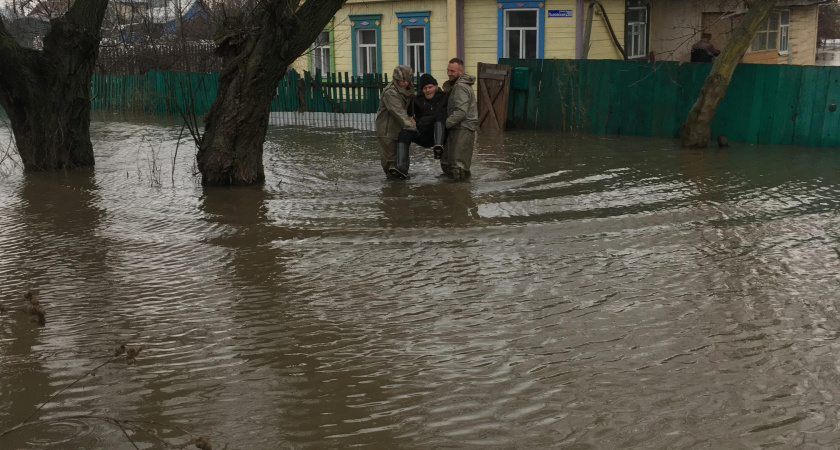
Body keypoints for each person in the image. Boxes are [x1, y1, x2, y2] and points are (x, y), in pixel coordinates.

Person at [376, 65, 417, 179]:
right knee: (391, 164)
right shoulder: (390, 92)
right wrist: (413, 128)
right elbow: (398, 112)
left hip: (401, 130)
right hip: (387, 131)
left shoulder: (409, 89)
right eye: (401, 80)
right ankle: (391, 192)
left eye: (406, 80)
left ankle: (401, 192)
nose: (404, 83)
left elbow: (411, 108)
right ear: (395, 79)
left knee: (403, 163)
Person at [441, 58, 478, 181]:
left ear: (460, 71)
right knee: (449, 163)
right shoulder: (458, 85)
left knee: (458, 166)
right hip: (458, 128)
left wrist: (444, 125)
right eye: (448, 70)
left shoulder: (460, 87)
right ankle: (454, 194)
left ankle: (460, 195)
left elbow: (461, 112)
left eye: (452, 71)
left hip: (463, 129)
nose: (449, 73)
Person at [406, 73, 448, 160]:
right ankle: (400, 166)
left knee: (440, 116)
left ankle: (438, 147)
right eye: (425, 88)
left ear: (436, 86)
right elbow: (409, 114)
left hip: (442, 133)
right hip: (424, 131)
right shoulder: (416, 99)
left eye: (430, 87)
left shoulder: (444, 96)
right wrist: (412, 121)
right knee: (403, 134)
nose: (428, 90)